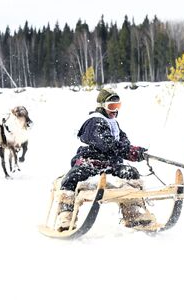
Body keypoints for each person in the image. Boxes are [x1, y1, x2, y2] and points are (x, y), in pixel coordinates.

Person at [56, 88, 152, 231]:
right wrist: (128, 150)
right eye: (111, 107)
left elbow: (123, 143)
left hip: (111, 164)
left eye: (117, 106)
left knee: (131, 173)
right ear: (102, 106)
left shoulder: (114, 123)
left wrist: (135, 152)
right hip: (91, 162)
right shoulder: (95, 122)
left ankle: (133, 212)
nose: (115, 111)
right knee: (72, 177)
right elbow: (107, 144)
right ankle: (65, 216)